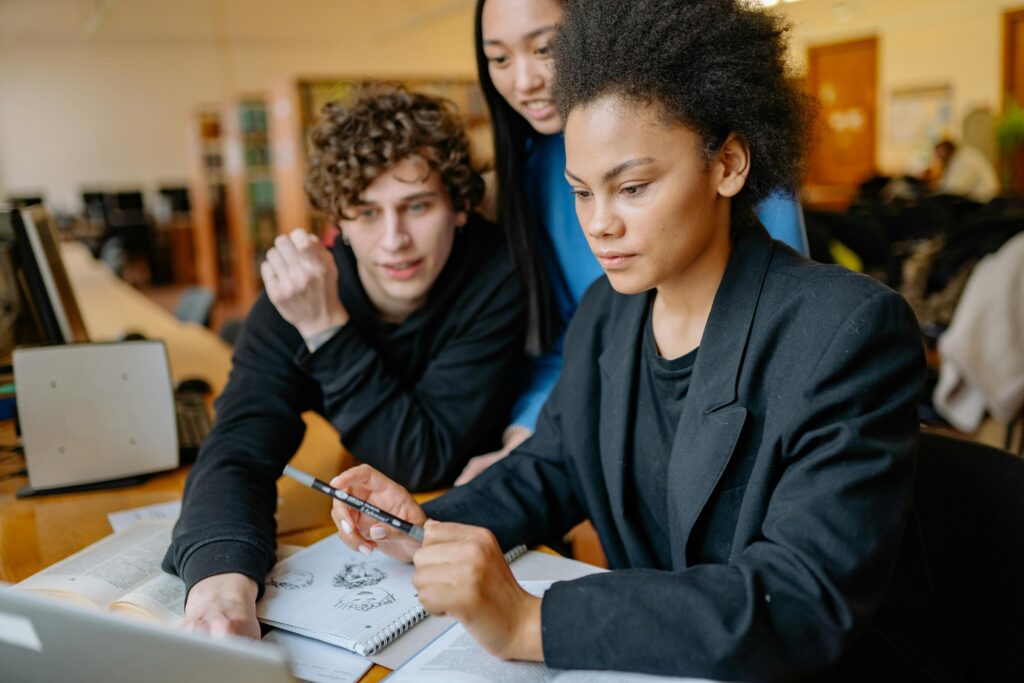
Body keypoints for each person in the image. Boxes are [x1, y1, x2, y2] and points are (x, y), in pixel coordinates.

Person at [328, 1, 953, 679]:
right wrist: (423, 524)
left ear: (729, 164)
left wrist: (531, 620)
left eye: (631, 188)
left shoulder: (846, 331)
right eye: (581, 192)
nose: (600, 225)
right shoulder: (607, 313)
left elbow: (800, 599)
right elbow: (555, 464)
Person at [162, 86, 527, 637]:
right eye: (365, 212)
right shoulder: (302, 289)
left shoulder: (496, 271)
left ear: (457, 208)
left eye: (417, 206)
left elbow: (423, 459)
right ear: (340, 220)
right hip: (389, 545)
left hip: (490, 530)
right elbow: (238, 449)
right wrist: (222, 586)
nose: (394, 240)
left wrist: (326, 331)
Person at [457, 0, 810, 484]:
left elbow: (786, 316)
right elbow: (570, 339)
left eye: (546, 48)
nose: (524, 81)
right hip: (618, 427)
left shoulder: (722, 155)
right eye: (499, 58)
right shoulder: (535, 166)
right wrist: (528, 434)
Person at [933, 138, 999, 203]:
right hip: (978, 201)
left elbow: (955, 189)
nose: (939, 159)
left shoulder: (964, 159)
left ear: (945, 150)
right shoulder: (960, 157)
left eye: (939, 155)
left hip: (983, 203)